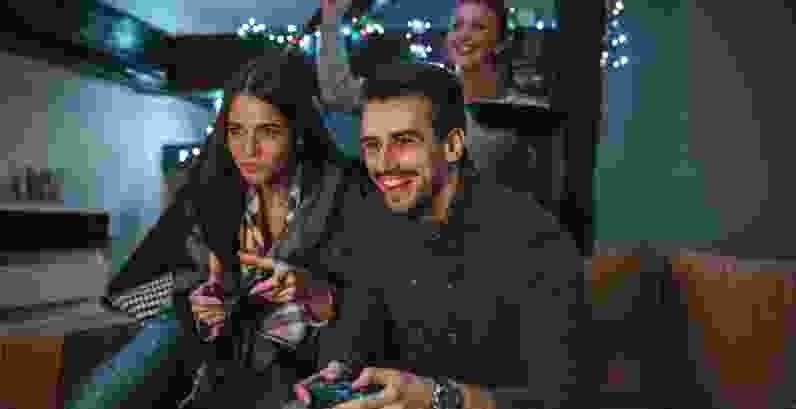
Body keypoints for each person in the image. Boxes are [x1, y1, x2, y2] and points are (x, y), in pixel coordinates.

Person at [310, 62, 583, 409]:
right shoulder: (371, 224)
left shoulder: (534, 240)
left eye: (404, 142)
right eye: (372, 145)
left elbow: (563, 396)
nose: (383, 163)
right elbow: (357, 339)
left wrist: (440, 398)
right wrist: (339, 375)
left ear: (453, 145)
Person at [100, 50, 363, 409]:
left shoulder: (343, 195)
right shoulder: (217, 193)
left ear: (299, 132)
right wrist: (201, 301)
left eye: (268, 132)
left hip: (310, 368)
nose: (248, 150)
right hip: (216, 361)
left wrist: (316, 296)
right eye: (236, 131)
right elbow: (163, 288)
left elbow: (370, 310)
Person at [317, 0, 561, 204]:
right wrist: (330, 19)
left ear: (501, 42)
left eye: (478, 27)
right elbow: (337, 93)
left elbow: (545, 196)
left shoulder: (523, 113)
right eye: (457, 26)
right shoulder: (423, 90)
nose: (463, 35)